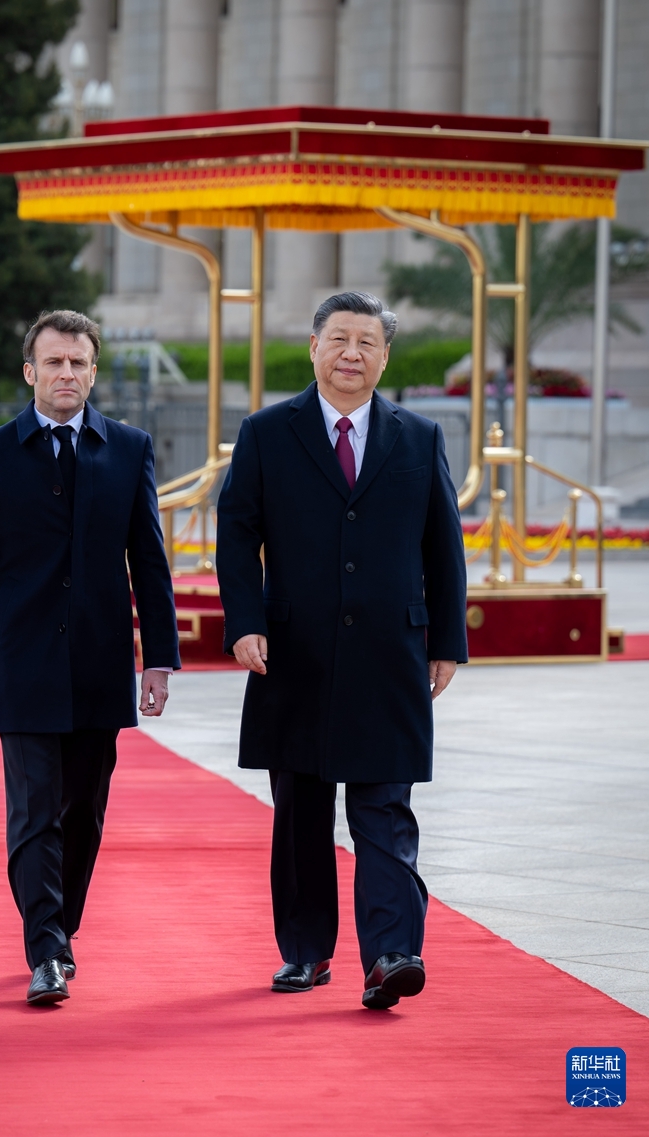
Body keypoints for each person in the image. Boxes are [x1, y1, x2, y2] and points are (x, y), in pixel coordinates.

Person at [216, 291, 467, 1010]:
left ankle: (392, 953)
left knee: (385, 807)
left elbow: (443, 545)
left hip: (391, 654)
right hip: (293, 652)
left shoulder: (419, 437)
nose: (352, 354)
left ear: (385, 356)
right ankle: (306, 951)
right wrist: (245, 621)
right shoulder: (267, 433)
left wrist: (447, 640)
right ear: (314, 347)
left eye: (367, 342)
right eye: (339, 339)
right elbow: (236, 532)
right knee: (300, 807)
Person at [0, 309, 180, 1006]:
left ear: (94, 372)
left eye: (78, 362)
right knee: (34, 810)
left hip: (102, 663)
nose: (66, 373)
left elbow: (150, 561)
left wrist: (158, 658)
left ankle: (61, 928)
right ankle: (45, 948)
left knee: (85, 812)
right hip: (22, 664)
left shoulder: (130, 450)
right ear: (30, 371)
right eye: (54, 362)